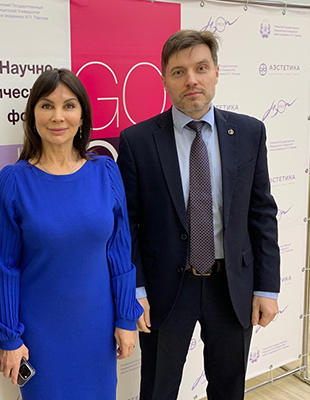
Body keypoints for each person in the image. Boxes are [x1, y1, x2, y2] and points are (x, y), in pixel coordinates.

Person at [117, 30, 281, 400]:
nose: (191, 80)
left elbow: (261, 213)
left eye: (201, 68)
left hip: (232, 286)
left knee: (228, 389)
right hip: (164, 291)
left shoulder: (250, 133)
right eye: (179, 72)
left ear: (217, 72)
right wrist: (136, 290)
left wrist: (266, 287)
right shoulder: (138, 142)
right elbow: (128, 224)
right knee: (158, 389)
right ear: (164, 80)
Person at [0, 68, 143, 400]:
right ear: (32, 116)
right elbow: (5, 267)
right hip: (40, 335)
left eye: (69, 105)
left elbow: (119, 253)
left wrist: (126, 317)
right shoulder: (13, 181)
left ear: (82, 116)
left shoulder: (105, 171)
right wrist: (10, 337)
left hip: (98, 328)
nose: (58, 116)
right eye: (47, 105)